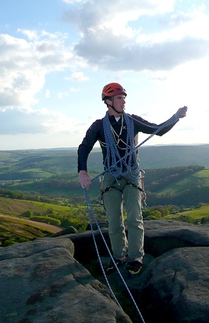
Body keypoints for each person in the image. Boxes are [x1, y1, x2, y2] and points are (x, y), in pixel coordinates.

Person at [77, 82, 187, 274]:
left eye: (124, 98)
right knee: (114, 220)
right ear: (108, 102)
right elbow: (84, 147)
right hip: (111, 176)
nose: (123, 102)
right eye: (119, 98)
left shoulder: (132, 121)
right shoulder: (98, 126)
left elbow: (158, 130)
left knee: (135, 218)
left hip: (131, 174)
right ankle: (119, 255)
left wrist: (175, 117)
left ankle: (136, 256)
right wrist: (82, 171)